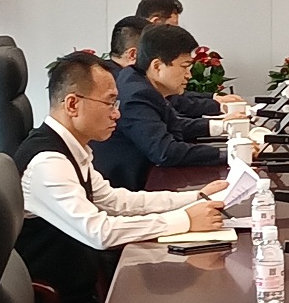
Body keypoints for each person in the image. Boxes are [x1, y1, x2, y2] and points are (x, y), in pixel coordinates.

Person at [12, 52, 226, 303]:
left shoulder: (71, 148)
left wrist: (196, 198)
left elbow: (117, 201)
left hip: (84, 291)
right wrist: (185, 221)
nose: (117, 113)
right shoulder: (48, 163)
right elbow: (99, 232)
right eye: (110, 102)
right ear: (73, 104)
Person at [90, 25, 241, 191]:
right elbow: (165, 152)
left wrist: (223, 127)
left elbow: (172, 125)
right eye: (184, 66)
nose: (189, 75)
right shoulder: (137, 96)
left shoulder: (140, 82)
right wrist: (231, 154)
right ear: (157, 66)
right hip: (126, 189)